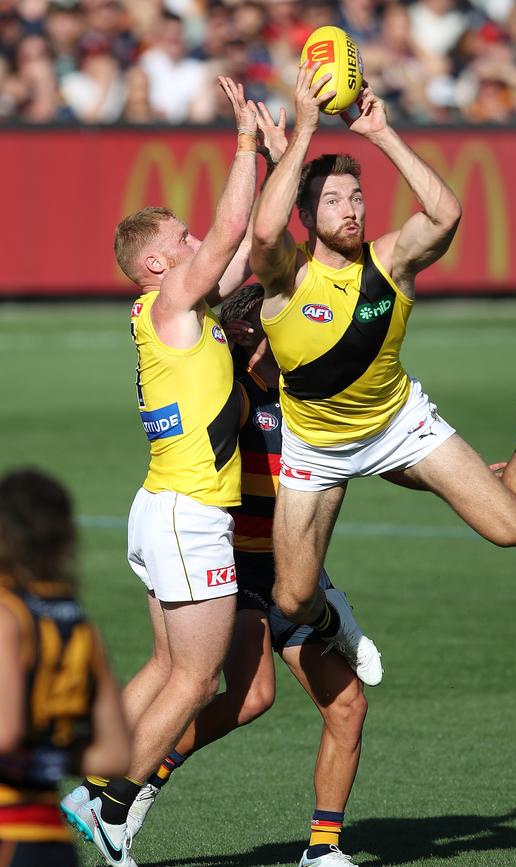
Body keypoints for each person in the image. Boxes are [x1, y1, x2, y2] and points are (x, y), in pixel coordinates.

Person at [250, 63, 516, 658]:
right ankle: (334, 619)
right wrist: (306, 132)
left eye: (357, 197)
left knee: (515, 527)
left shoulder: (389, 262)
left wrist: (382, 133)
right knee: (293, 600)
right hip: (314, 449)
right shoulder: (287, 278)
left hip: (400, 427)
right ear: (307, 219)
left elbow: (445, 215)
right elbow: (264, 233)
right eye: (333, 201)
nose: (351, 209)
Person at [60, 77, 268, 867]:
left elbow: (243, 244)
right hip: (189, 512)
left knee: (165, 667)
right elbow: (227, 236)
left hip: (163, 507)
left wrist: (284, 155)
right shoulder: (174, 300)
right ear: (155, 263)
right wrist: (245, 144)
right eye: (180, 240)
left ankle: (85, 788)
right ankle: (114, 813)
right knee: (195, 679)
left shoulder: (180, 308)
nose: (194, 245)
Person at [111, 283, 374, 867]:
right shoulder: (223, 392)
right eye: (274, 326)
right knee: (250, 696)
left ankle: (323, 850)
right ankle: (138, 780)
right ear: (247, 338)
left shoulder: (310, 391)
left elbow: (366, 445)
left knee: (348, 705)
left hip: (297, 567)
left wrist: (455, 471)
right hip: (237, 564)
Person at [0, 468, 130, 867]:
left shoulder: (7, 617)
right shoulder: (80, 626)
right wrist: (49, 758)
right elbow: (115, 754)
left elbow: (6, 734)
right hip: (53, 846)